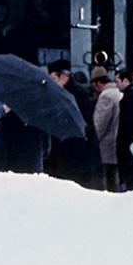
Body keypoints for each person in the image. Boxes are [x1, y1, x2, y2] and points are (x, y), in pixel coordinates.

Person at [46, 60, 104, 190]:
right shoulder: (69, 92)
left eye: (53, 78)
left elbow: (76, 123)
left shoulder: (75, 94)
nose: (52, 82)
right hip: (74, 153)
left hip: (78, 154)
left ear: (63, 77)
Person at [0, 106, 50, 174]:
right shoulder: (39, 121)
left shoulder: (4, 123)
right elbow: (46, 150)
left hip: (13, 175)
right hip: (35, 172)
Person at [90, 66, 122, 191]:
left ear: (97, 83)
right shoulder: (118, 93)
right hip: (115, 145)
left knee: (105, 184)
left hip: (105, 148)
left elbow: (99, 124)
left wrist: (92, 143)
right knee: (115, 181)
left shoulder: (106, 96)